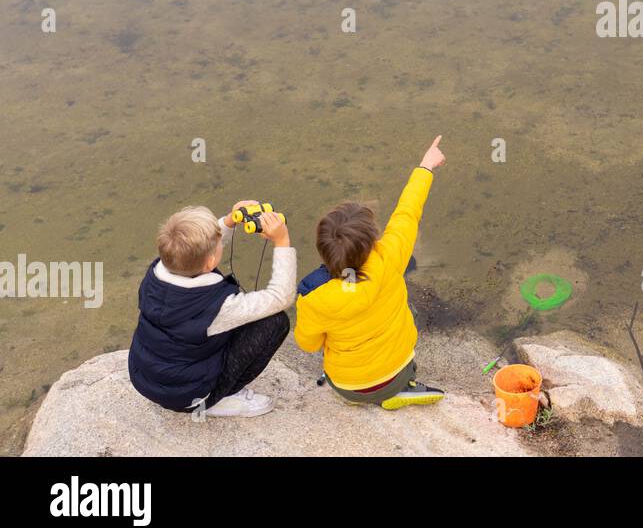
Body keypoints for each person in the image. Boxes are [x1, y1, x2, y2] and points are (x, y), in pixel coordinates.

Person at [294, 136, 447, 409]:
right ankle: (403, 388)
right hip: (397, 373)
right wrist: (425, 167)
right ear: (372, 240)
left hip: (347, 387)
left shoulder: (312, 297)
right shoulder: (390, 256)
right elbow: (407, 213)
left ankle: (373, 393)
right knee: (399, 328)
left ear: (323, 250)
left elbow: (308, 344)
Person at [127, 200, 295, 417]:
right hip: (190, 395)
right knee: (275, 322)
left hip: (145, 378)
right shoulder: (220, 308)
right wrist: (282, 241)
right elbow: (281, 297)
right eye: (219, 244)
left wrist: (228, 221)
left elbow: (197, 254)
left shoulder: (157, 273)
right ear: (209, 263)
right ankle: (216, 400)